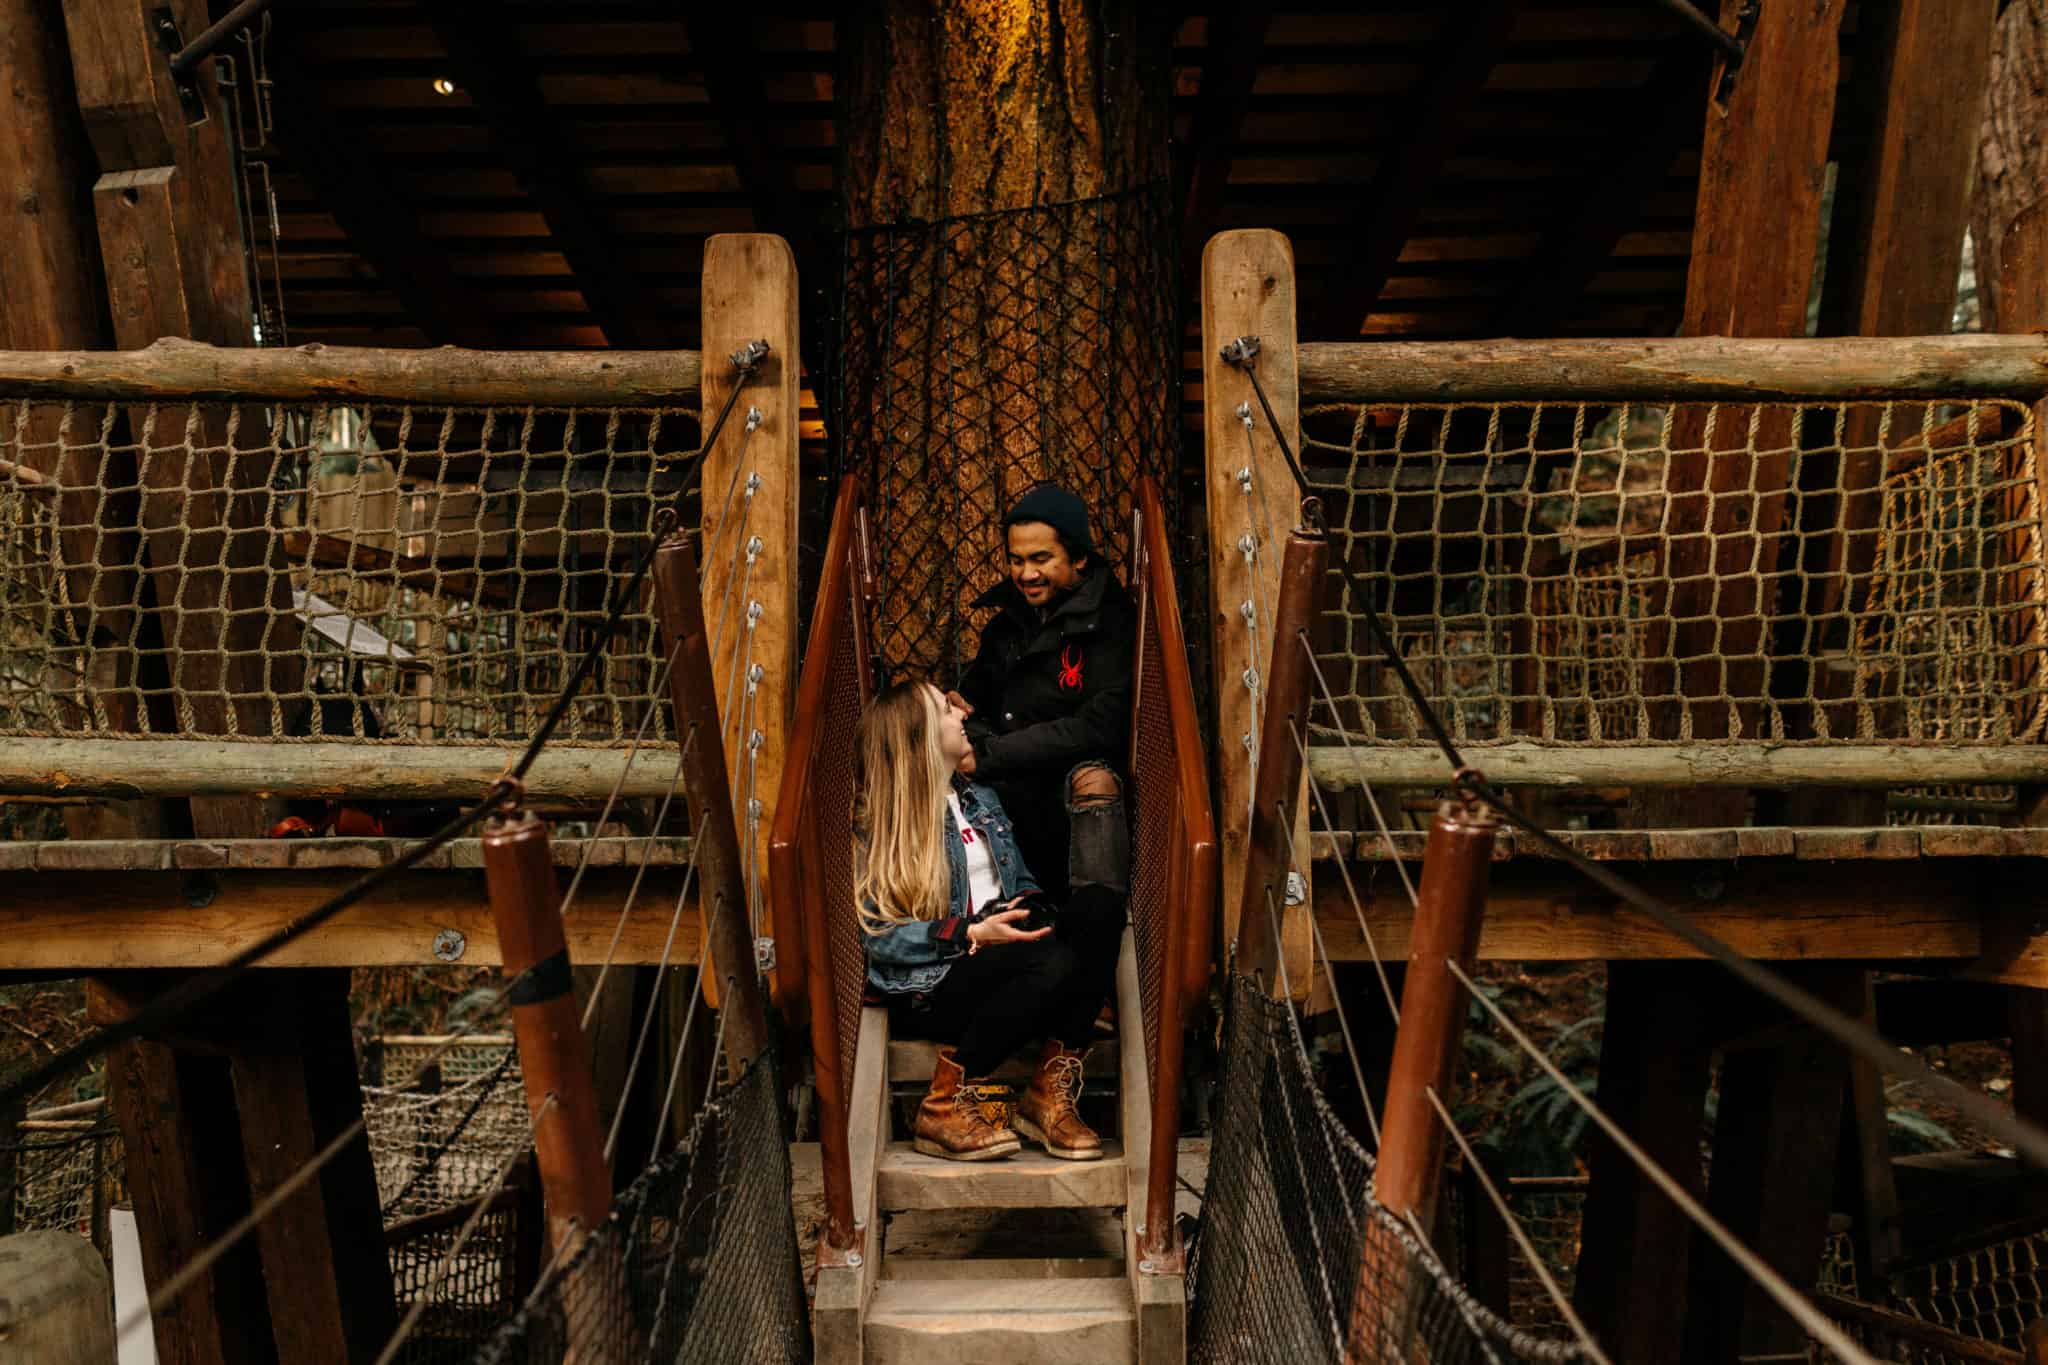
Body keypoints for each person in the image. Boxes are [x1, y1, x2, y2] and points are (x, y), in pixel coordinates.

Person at [856, 680, 1123, 1163]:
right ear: (919, 735)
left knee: (1099, 908)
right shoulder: (886, 822)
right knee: (1050, 964)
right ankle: (944, 1104)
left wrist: (1027, 913)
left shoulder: (981, 799)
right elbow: (881, 940)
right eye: (945, 710)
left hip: (1009, 959)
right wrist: (971, 933)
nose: (961, 716)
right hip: (939, 981)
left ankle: (1046, 1094)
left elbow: (1020, 881)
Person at [949, 484, 1134, 906]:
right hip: (1008, 784)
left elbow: (1101, 724)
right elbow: (975, 698)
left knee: (1095, 784)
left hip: (1066, 783)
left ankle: (1094, 944)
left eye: (1040, 559)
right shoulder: (1007, 624)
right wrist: (959, 709)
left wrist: (991, 755)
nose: (1026, 573)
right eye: (1016, 560)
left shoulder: (1112, 623)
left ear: (1079, 557)